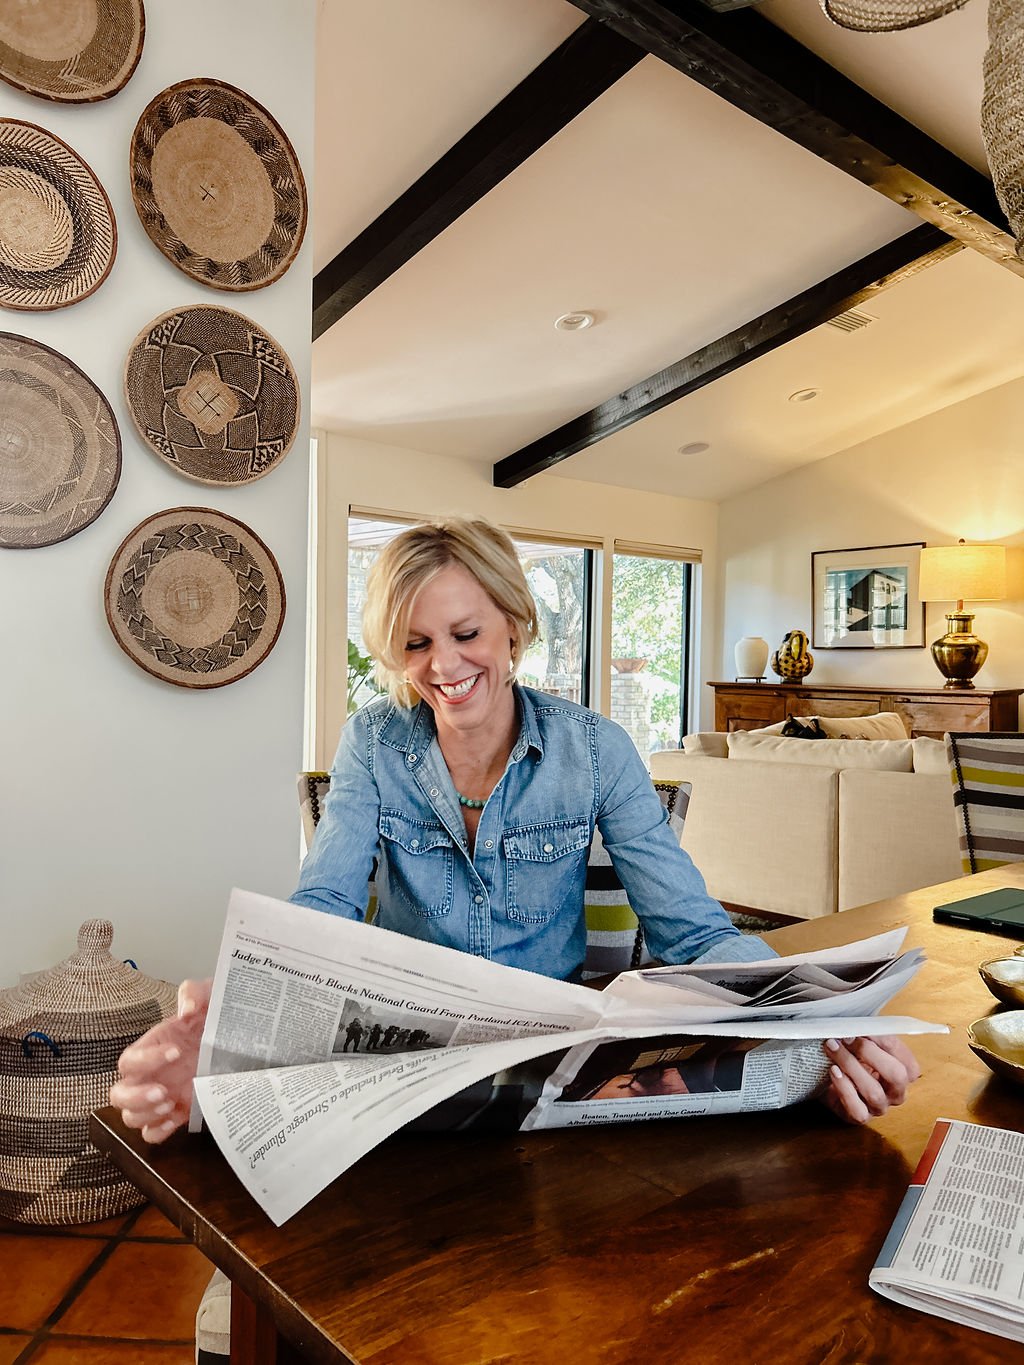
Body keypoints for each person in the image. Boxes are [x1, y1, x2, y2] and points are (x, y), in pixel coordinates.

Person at [110, 516, 920, 1140]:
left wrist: (825, 1018)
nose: (443, 666)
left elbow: (693, 931)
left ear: (513, 626)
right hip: (409, 1054)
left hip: (549, 1050)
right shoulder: (372, 741)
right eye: (416, 643)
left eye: (466, 634)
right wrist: (249, 1001)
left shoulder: (596, 749)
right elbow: (324, 897)